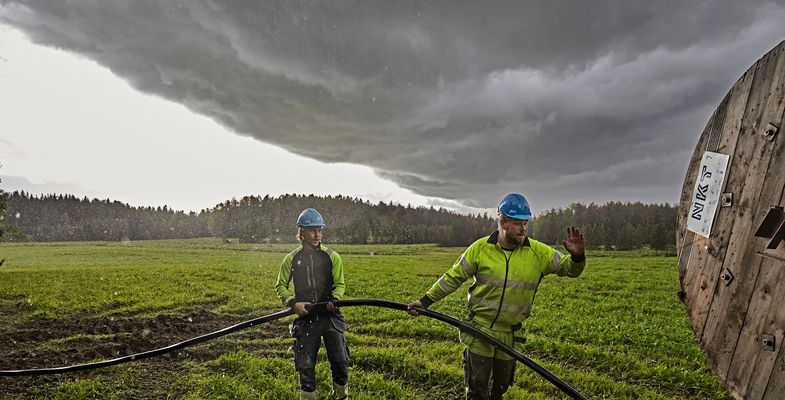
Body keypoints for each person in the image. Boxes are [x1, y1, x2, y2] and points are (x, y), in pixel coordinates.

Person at [407, 193, 586, 400]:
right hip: (480, 331)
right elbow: (452, 278)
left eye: (526, 223)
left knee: (499, 390)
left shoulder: (538, 253)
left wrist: (577, 256)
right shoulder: (480, 249)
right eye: (518, 223)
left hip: (510, 335)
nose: (524, 229)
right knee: (477, 390)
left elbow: (570, 270)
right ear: (503, 222)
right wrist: (425, 302)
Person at [275, 208, 349, 400]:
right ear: (301, 233)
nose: (317, 234)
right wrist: (293, 304)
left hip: (330, 318)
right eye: (312, 230)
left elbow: (340, 284)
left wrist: (336, 300)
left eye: (320, 230)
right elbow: (280, 285)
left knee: (340, 362)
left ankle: (341, 397)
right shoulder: (291, 259)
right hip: (307, 321)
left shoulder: (332, 256)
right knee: (305, 366)